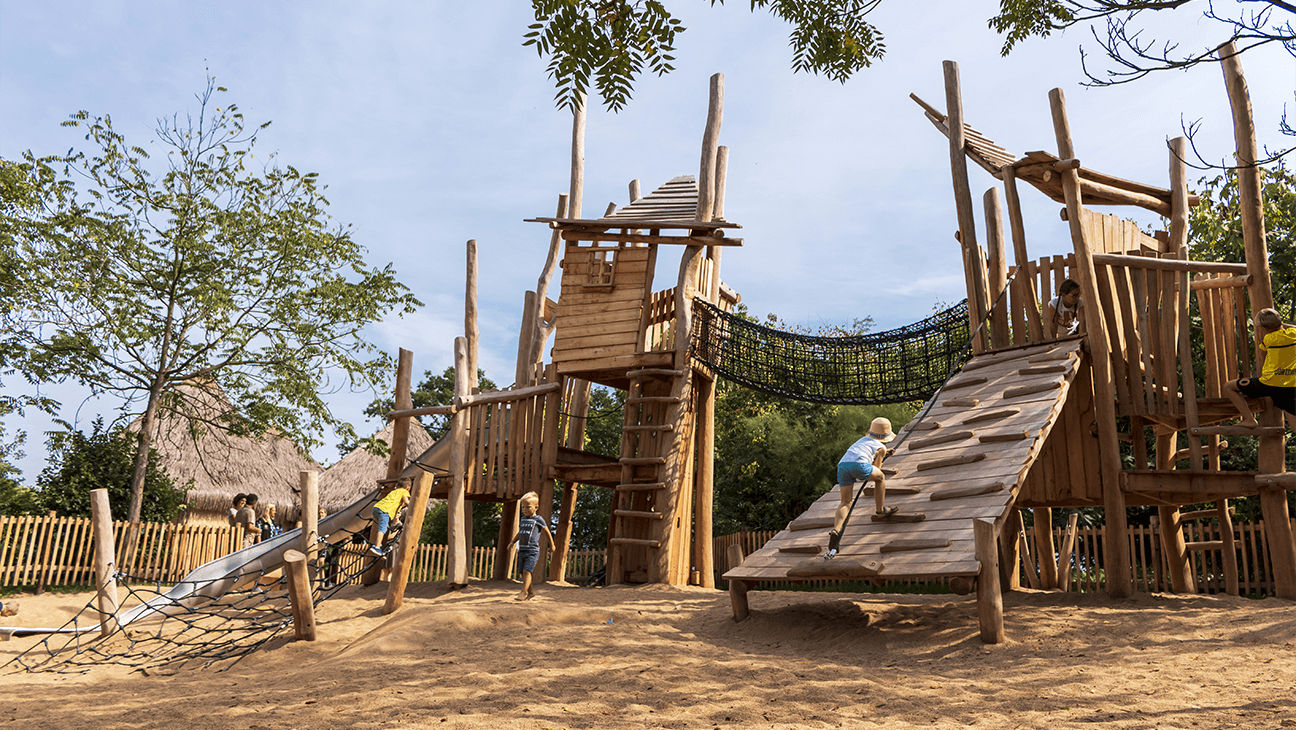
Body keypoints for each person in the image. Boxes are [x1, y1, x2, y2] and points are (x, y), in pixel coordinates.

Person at [1225, 308, 1296, 430]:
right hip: (1290, 387)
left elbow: (1262, 349)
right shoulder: (1293, 334)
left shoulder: (1269, 339)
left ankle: (1249, 419)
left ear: (1263, 328)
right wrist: (1281, 324)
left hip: (1268, 384)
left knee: (1228, 387)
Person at [831, 417, 897, 542]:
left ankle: (836, 530)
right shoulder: (881, 448)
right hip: (859, 466)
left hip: (843, 465)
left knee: (845, 502)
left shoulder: (862, 440)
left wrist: (884, 453)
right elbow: (876, 468)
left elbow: (865, 451)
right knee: (880, 478)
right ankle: (880, 510)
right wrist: (882, 455)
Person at [508, 491, 555, 601]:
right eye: (523, 507)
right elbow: (520, 533)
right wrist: (512, 542)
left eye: (527, 507)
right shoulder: (523, 519)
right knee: (522, 573)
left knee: (527, 571)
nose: (524, 509)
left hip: (532, 551)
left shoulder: (538, 520)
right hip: (522, 550)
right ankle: (531, 592)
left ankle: (523, 592)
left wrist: (552, 544)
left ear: (536, 507)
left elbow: (547, 532)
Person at [368, 477, 411, 557]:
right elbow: (406, 501)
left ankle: (379, 545)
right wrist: (412, 504)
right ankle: (376, 547)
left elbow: (394, 505)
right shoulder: (404, 491)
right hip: (384, 511)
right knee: (383, 528)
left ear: (396, 485)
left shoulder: (394, 492)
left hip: (376, 509)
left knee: (385, 526)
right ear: (408, 488)